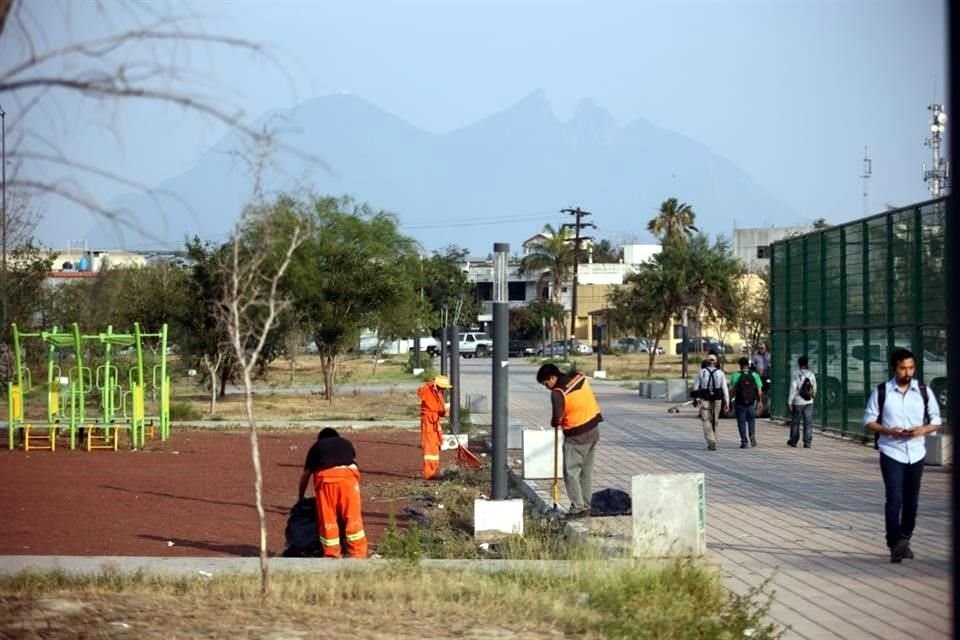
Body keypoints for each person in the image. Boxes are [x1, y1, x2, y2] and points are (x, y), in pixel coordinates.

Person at [863, 348, 942, 563]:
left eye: (911, 368)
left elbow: (936, 419)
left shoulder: (923, 391)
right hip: (891, 451)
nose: (907, 372)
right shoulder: (882, 392)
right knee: (894, 498)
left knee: (912, 501)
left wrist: (922, 430)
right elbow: (869, 420)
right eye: (902, 368)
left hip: (916, 452)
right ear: (894, 368)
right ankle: (893, 542)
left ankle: (905, 539)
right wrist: (890, 431)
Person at [536, 363, 602, 519]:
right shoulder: (579, 377)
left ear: (553, 377)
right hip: (593, 430)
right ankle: (586, 506)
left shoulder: (558, 393)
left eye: (546, 383)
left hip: (576, 435)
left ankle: (577, 508)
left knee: (571, 473)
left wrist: (554, 423)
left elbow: (557, 418)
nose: (547, 387)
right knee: (586, 472)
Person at [297, 428, 367, 558]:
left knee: (328, 519)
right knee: (352, 518)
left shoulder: (317, 446)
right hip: (349, 479)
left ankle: (332, 555)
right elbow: (354, 463)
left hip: (327, 480)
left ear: (321, 439)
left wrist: (300, 497)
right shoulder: (346, 443)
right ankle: (358, 554)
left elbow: (305, 475)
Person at [692, 353, 729, 450]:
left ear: (707, 362)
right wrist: (727, 402)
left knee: (706, 419)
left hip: (705, 398)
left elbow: (696, 387)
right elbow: (724, 388)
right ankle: (714, 438)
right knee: (715, 419)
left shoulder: (702, 372)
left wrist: (695, 399)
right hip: (717, 398)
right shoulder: (720, 373)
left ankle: (711, 439)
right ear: (716, 362)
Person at [418, 374, 452, 479]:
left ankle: (433, 470)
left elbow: (440, 409)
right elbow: (421, 392)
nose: (444, 389)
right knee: (430, 447)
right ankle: (429, 473)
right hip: (429, 422)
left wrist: (444, 412)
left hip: (434, 421)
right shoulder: (429, 390)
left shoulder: (438, 392)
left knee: (435, 445)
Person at [730, 356, 764, 448]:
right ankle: (752, 434)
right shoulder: (754, 375)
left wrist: (730, 400)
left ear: (740, 365)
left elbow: (732, 390)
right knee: (751, 420)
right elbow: (759, 390)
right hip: (751, 402)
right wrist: (760, 401)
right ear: (748, 365)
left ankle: (744, 441)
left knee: (741, 422)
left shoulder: (736, 375)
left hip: (739, 402)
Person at [786, 355, 817, 448]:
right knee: (808, 422)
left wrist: (790, 401)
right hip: (809, 401)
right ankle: (807, 442)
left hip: (798, 401)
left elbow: (793, 388)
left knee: (795, 421)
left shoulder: (795, 374)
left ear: (799, 364)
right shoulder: (811, 374)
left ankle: (794, 440)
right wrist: (812, 397)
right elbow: (814, 387)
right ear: (807, 364)